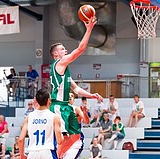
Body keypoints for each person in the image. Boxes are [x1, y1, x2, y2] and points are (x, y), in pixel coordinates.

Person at [49, 16, 102, 156]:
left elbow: (76, 89)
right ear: (56, 54)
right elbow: (80, 49)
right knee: (62, 140)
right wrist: (89, 29)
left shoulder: (64, 70)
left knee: (77, 138)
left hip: (65, 107)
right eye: (62, 49)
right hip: (58, 107)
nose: (65, 50)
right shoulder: (59, 64)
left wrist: (92, 95)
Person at [18, 88, 63, 159]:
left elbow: (20, 139)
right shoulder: (54, 117)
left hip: (32, 152)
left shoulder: (29, 117)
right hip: (48, 152)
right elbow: (60, 141)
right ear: (49, 100)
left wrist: (22, 155)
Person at [59, 93, 90, 159]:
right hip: (64, 139)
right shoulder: (59, 109)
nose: (70, 97)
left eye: (72, 96)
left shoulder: (76, 109)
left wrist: (85, 113)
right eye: (68, 96)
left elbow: (87, 122)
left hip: (75, 140)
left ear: (74, 100)